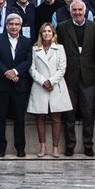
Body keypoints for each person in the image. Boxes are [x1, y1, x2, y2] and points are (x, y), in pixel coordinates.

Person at [57, 0, 95, 156]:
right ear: (70, 11)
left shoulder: (94, 27)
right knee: (69, 113)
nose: (77, 13)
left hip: (88, 76)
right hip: (69, 76)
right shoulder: (62, 27)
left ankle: (88, 144)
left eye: (80, 10)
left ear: (85, 11)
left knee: (88, 113)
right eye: (74, 10)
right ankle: (70, 145)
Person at [0, 13, 33, 157]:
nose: (14, 27)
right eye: (11, 24)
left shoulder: (27, 41)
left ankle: (20, 147)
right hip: (1, 85)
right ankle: (0, 147)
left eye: (17, 24)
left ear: (20, 26)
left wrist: (15, 72)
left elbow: (28, 61)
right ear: (6, 25)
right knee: (0, 117)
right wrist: (7, 72)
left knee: (19, 118)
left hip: (19, 85)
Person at [28, 22, 72, 158]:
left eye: (49, 31)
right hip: (40, 85)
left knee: (56, 118)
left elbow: (62, 68)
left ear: (53, 34)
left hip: (55, 85)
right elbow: (32, 68)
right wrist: (43, 81)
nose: (47, 34)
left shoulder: (59, 48)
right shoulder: (35, 49)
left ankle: (55, 147)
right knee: (40, 116)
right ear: (40, 34)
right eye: (44, 31)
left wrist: (51, 81)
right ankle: (42, 146)